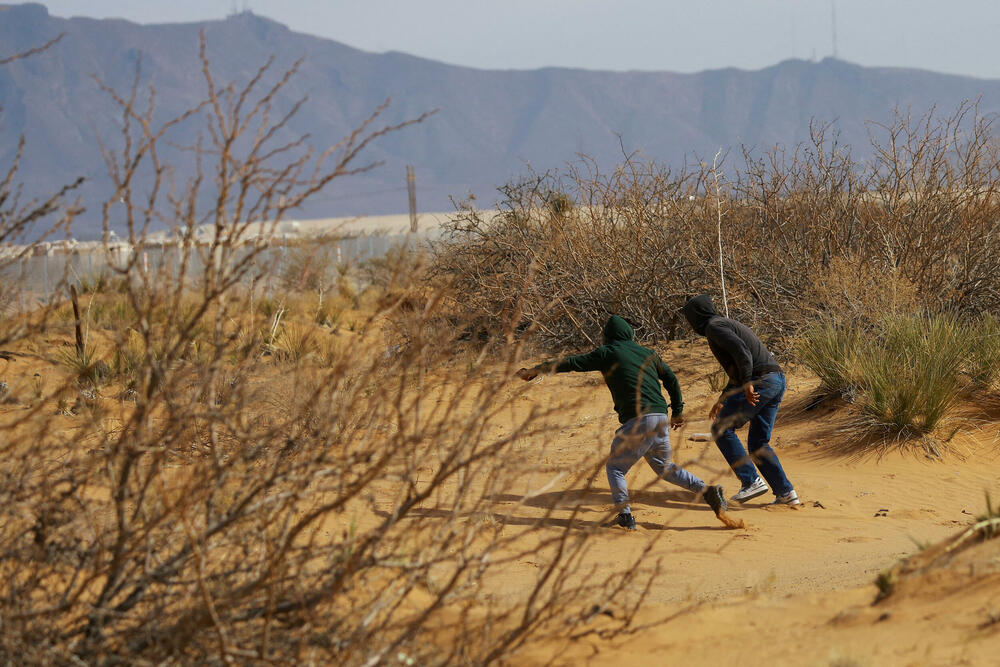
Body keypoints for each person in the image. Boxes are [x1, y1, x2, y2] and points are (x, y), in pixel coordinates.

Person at [516, 315, 727, 530]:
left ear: (608, 337)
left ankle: (625, 517)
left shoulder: (608, 353)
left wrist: (536, 370)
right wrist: (678, 411)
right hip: (660, 418)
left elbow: (570, 363)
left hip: (638, 420)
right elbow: (671, 379)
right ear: (630, 334)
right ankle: (706, 491)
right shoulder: (649, 354)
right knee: (665, 468)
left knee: (615, 468)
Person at [681, 294, 799, 505]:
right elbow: (738, 364)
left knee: (721, 429)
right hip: (775, 380)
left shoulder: (714, 326)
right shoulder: (723, 323)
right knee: (758, 443)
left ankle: (751, 481)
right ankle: (785, 493)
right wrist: (724, 398)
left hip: (760, 381)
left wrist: (747, 383)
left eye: (688, 317)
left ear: (696, 315)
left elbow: (742, 354)